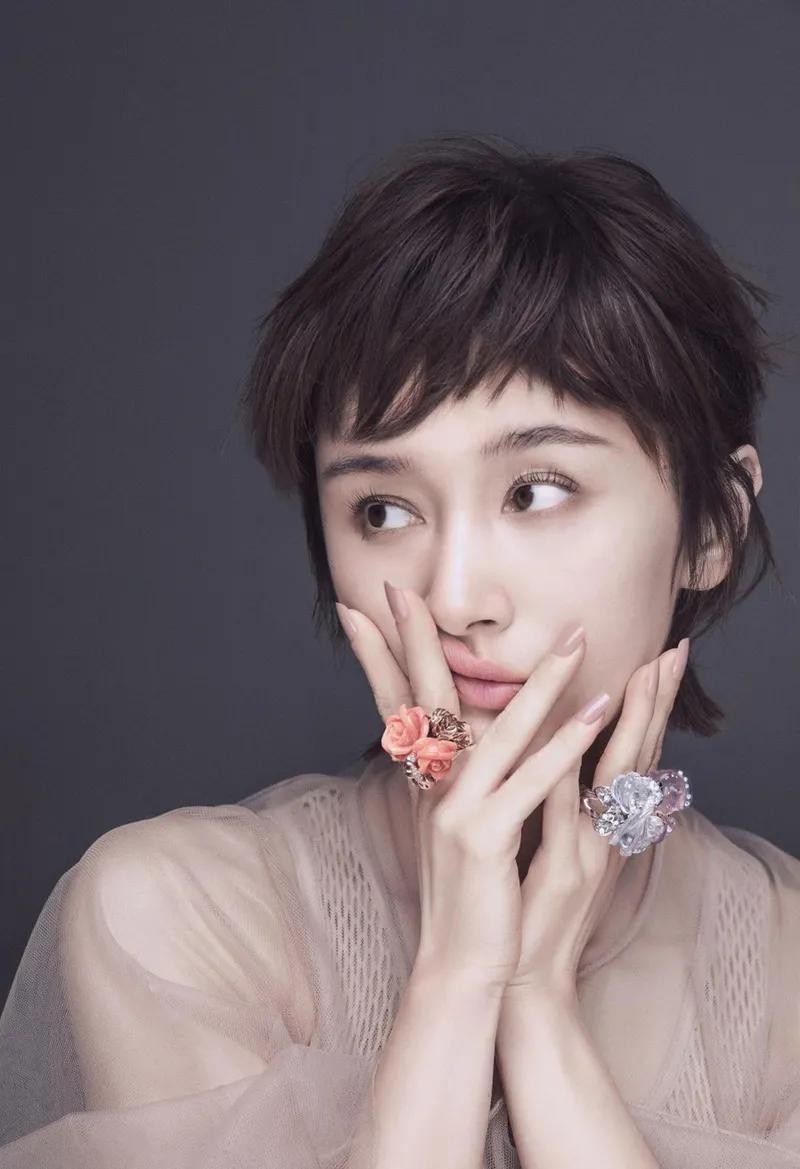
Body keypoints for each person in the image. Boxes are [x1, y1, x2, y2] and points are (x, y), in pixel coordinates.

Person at [0, 132, 797, 1168]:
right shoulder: (174, 915)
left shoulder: (784, 971)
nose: (454, 597)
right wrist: (459, 974)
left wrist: (537, 1001)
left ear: (711, 526)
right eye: (382, 508)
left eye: (535, 490)